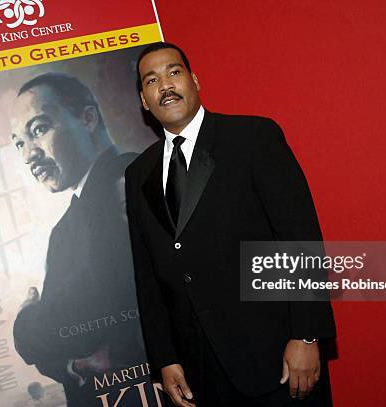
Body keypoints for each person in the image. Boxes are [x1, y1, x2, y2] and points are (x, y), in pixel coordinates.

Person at [125, 42, 336, 406]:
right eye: (151, 80)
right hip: (200, 374)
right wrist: (166, 358)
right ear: (144, 101)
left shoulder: (252, 138)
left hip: (276, 358)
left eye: (174, 73)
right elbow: (148, 275)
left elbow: (300, 237)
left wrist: (307, 335)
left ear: (194, 80)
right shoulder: (137, 174)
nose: (165, 86)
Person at [10, 72, 146, 406]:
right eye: (19, 143)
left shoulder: (137, 181)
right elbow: (63, 341)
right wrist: (76, 364)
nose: (29, 155)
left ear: (87, 118)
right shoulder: (63, 229)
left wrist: (25, 327)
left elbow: (90, 306)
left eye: (39, 130)